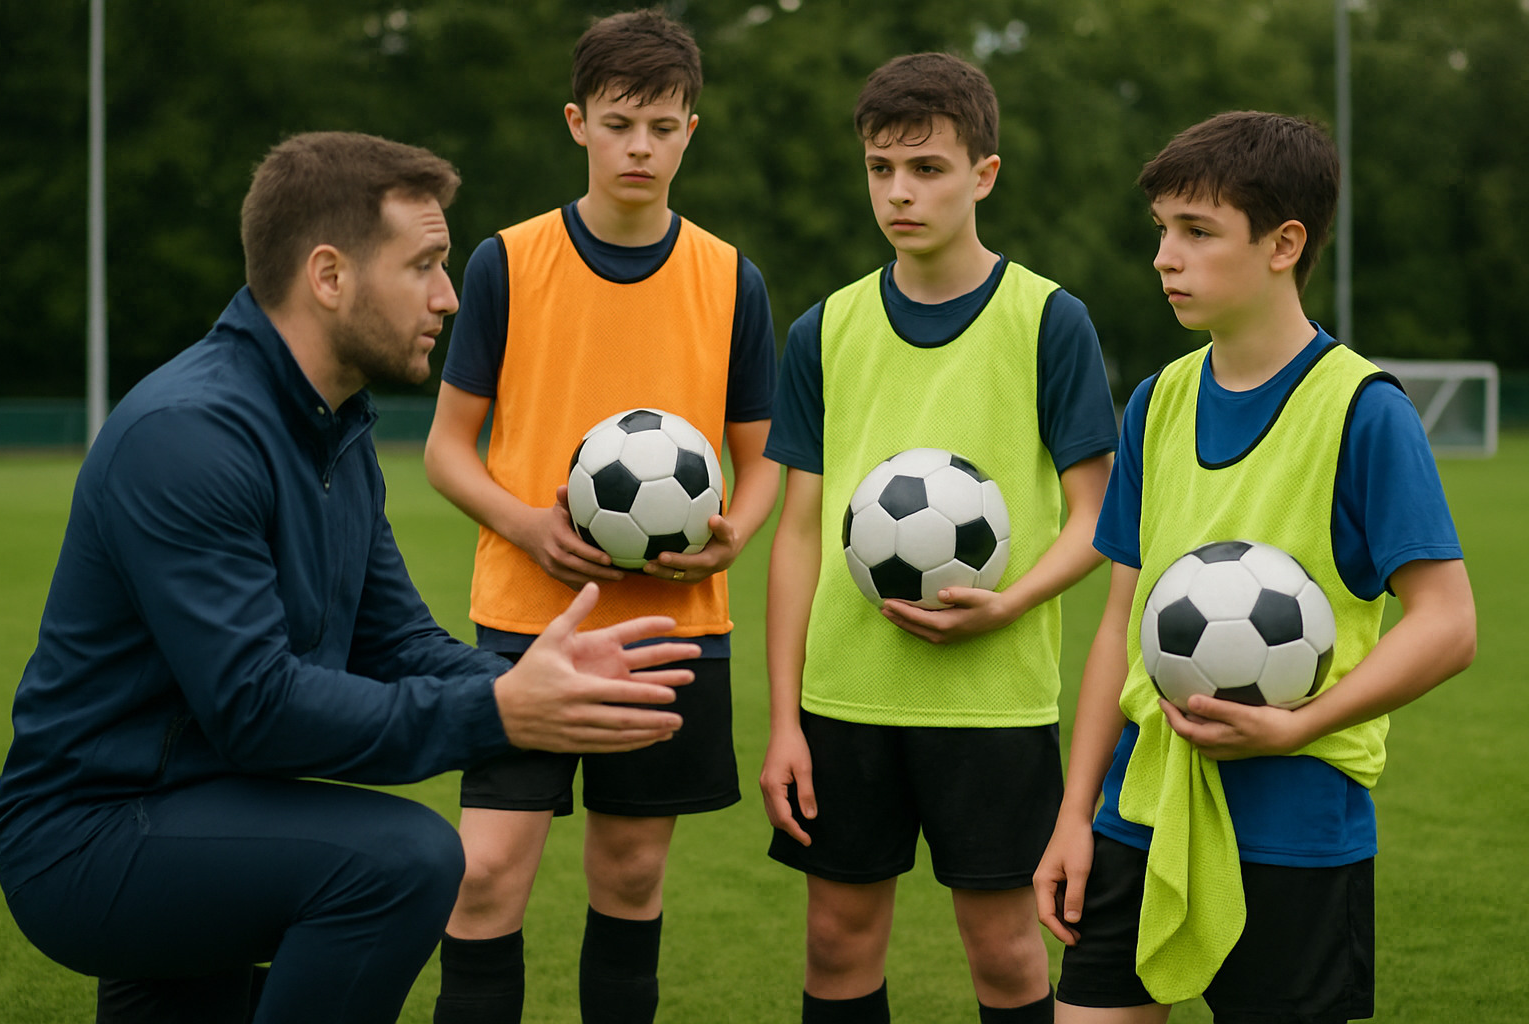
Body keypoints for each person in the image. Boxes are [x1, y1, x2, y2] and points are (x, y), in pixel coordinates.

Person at [0, 131, 701, 1024]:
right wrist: (498, 713)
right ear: (329, 276)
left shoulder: (335, 428)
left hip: (204, 808)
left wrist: (531, 684)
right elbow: (255, 706)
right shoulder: (189, 436)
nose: (449, 297)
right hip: (90, 835)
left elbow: (394, 641)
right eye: (426, 266)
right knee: (402, 861)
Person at [1034, 111, 1478, 1023]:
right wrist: (1074, 814)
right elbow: (1119, 627)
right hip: (1138, 810)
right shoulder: (1157, 400)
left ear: (1285, 244)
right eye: (1162, 229)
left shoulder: (1364, 410)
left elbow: (1448, 623)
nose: (1166, 257)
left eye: (1197, 232)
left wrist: (1298, 724)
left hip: (1295, 824)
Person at [421, 10, 779, 1023]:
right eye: (621, 123)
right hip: (527, 622)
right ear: (578, 123)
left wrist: (736, 533)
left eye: (663, 127)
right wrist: (529, 523)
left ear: (690, 133)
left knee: (629, 876)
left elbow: (761, 465)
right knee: (487, 873)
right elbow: (447, 449)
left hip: (671, 627)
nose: (641, 146)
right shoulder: (506, 261)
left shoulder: (728, 275)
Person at [760, 53, 1119, 1024]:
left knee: (1006, 953)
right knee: (836, 942)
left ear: (983, 175)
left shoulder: (1049, 320)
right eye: (881, 168)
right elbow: (795, 533)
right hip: (845, 697)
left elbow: (1100, 519)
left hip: (992, 703)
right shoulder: (823, 329)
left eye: (926, 168)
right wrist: (786, 717)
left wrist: (1006, 603)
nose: (900, 191)